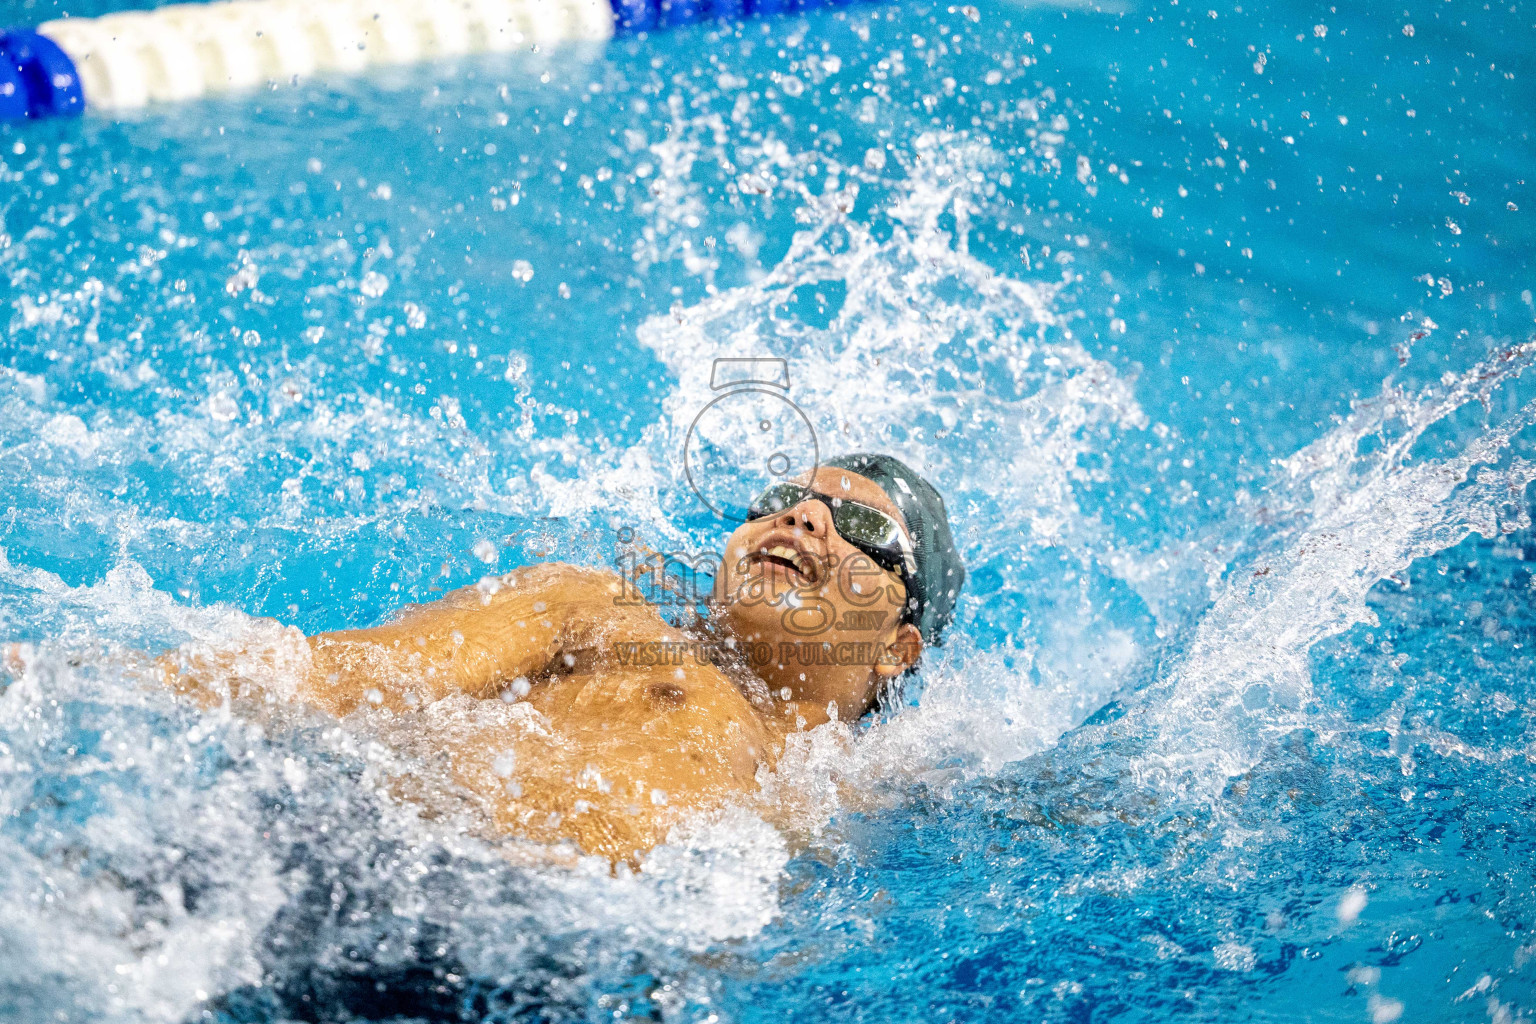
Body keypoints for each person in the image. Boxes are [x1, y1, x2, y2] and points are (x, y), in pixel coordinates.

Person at [17, 454, 966, 865]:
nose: (801, 517)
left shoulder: (874, 790)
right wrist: (67, 676)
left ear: (897, 647)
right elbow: (323, 677)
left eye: (858, 526)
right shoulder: (597, 610)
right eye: (784, 497)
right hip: (393, 866)